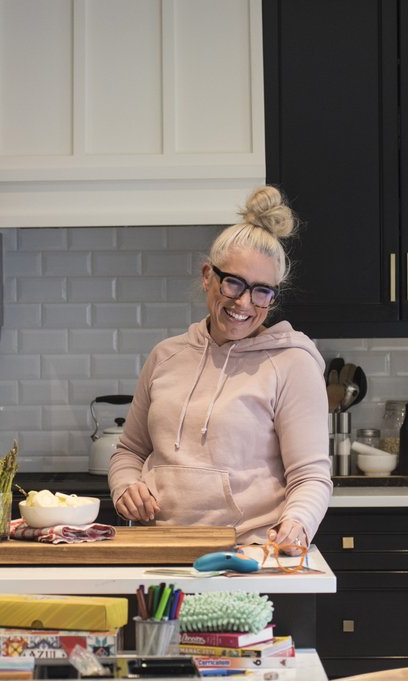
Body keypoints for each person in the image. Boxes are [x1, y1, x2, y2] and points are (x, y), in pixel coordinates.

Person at [108, 185, 332, 551]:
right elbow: (129, 452)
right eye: (234, 283)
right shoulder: (166, 356)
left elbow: (310, 475)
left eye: (262, 291)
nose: (245, 302)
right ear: (208, 276)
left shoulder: (292, 363)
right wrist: (126, 486)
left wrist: (297, 523)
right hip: (158, 552)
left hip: (249, 556)